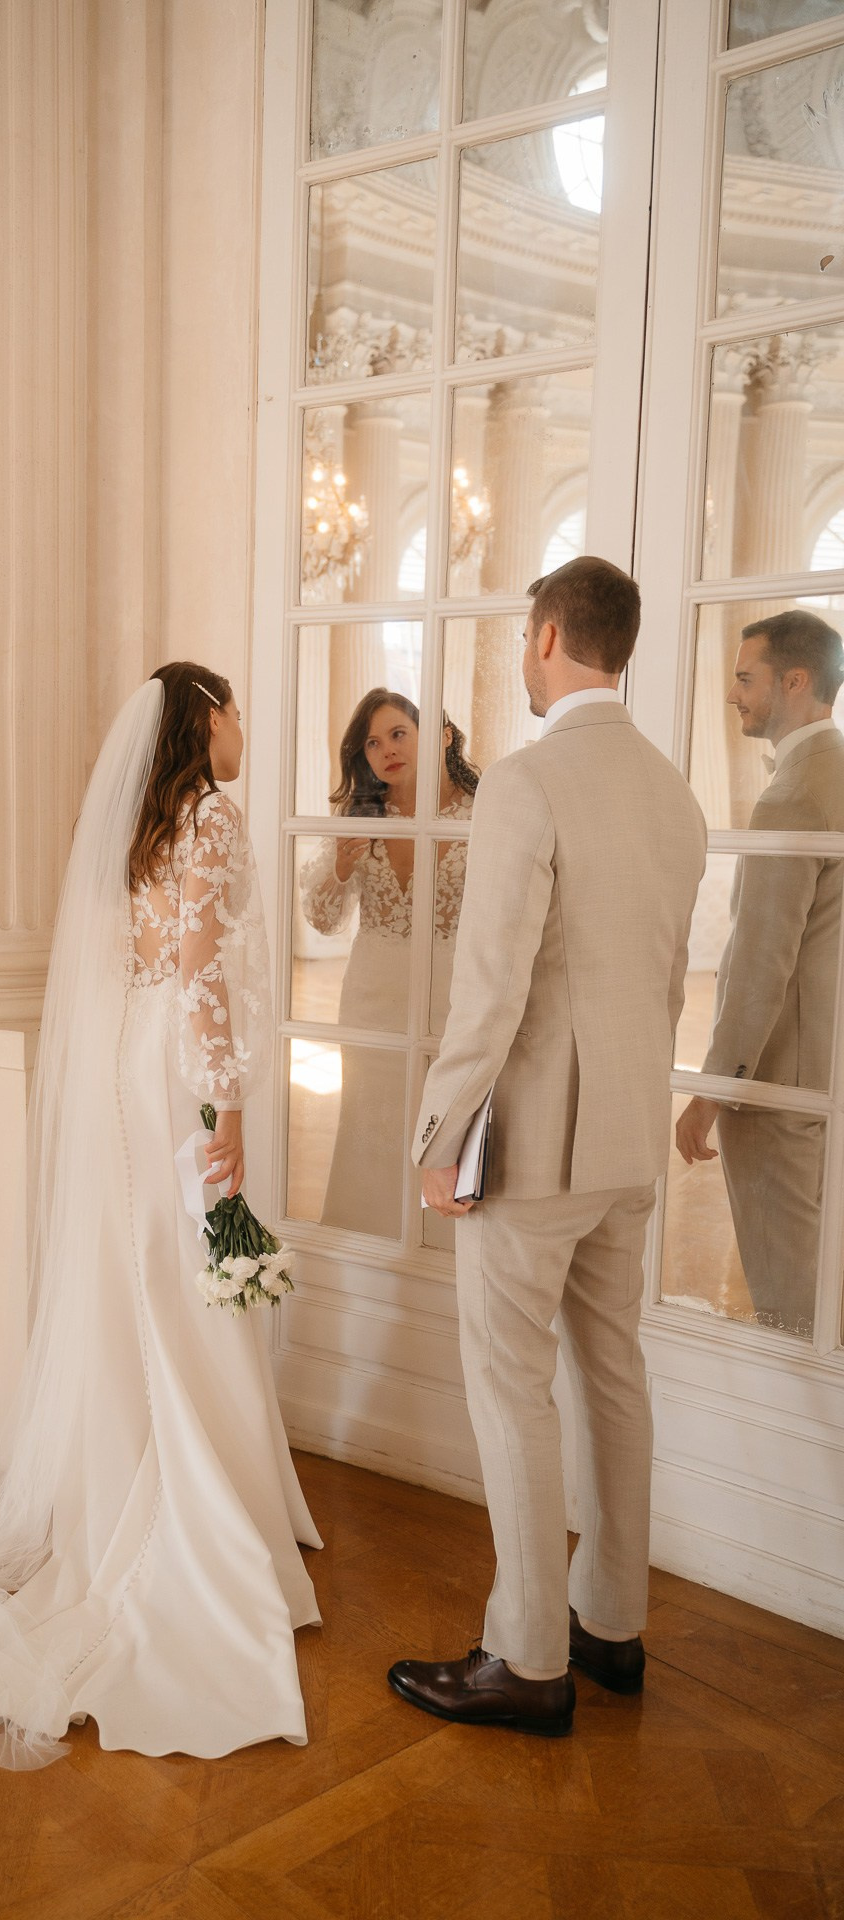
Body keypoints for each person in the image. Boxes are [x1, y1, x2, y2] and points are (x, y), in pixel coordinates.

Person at [0, 663, 321, 1769]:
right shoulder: (210, 823)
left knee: (151, 1279)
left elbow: (140, 964)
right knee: (184, 1278)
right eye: (231, 709)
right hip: (179, 1063)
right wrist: (222, 1105)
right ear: (203, 723)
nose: (242, 726)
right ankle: (199, 1525)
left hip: (129, 1066)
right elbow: (201, 974)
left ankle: (142, 1481)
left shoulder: (142, 832)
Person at [391, 556, 707, 1736]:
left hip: (531, 1151)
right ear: (616, 647)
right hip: (627, 1140)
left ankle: (524, 1657)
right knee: (612, 1374)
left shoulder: (524, 784)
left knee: (511, 1389)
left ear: (541, 638)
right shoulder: (673, 795)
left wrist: (438, 1136)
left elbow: (489, 989)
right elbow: (670, 982)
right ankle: (611, 1629)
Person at [676, 609, 844, 1335]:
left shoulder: (793, 796)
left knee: (791, 1295)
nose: (733, 694)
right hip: (828, 1070)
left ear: (795, 680)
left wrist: (713, 1089)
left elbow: (759, 965)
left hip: (783, 1088)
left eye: (746, 678)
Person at [300, 691, 478, 1236]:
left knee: (446, 1130)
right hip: (371, 998)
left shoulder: (484, 809)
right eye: (372, 743)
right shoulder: (360, 817)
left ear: (439, 736)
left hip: (455, 997)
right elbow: (322, 918)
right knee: (369, 1126)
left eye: (398, 733)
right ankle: (365, 1255)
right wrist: (341, 865)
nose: (385, 751)